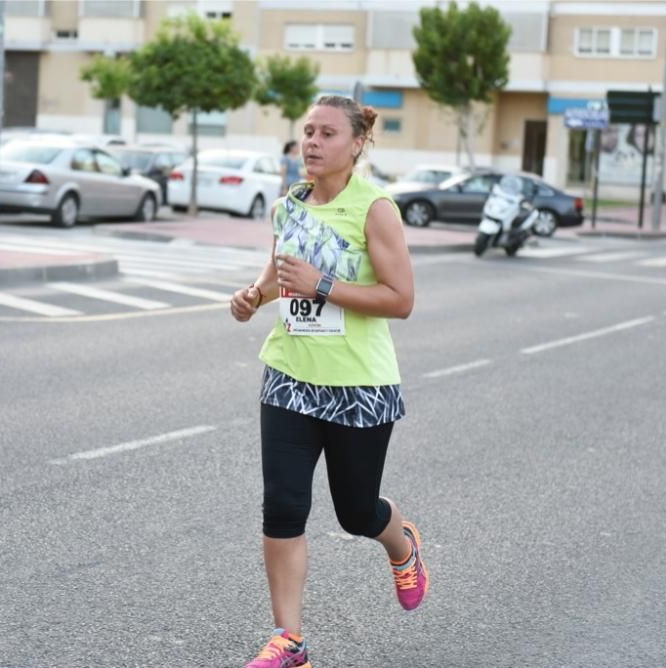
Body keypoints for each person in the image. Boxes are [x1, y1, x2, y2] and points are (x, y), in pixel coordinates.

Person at [230, 95, 429, 668]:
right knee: (283, 507)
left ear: (357, 144)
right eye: (307, 132)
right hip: (290, 376)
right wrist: (253, 297)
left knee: (356, 512)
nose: (311, 143)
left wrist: (323, 286)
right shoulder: (288, 205)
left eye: (327, 134)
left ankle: (401, 542)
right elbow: (277, 278)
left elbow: (401, 300)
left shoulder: (376, 209)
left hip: (360, 387)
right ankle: (289, 641)